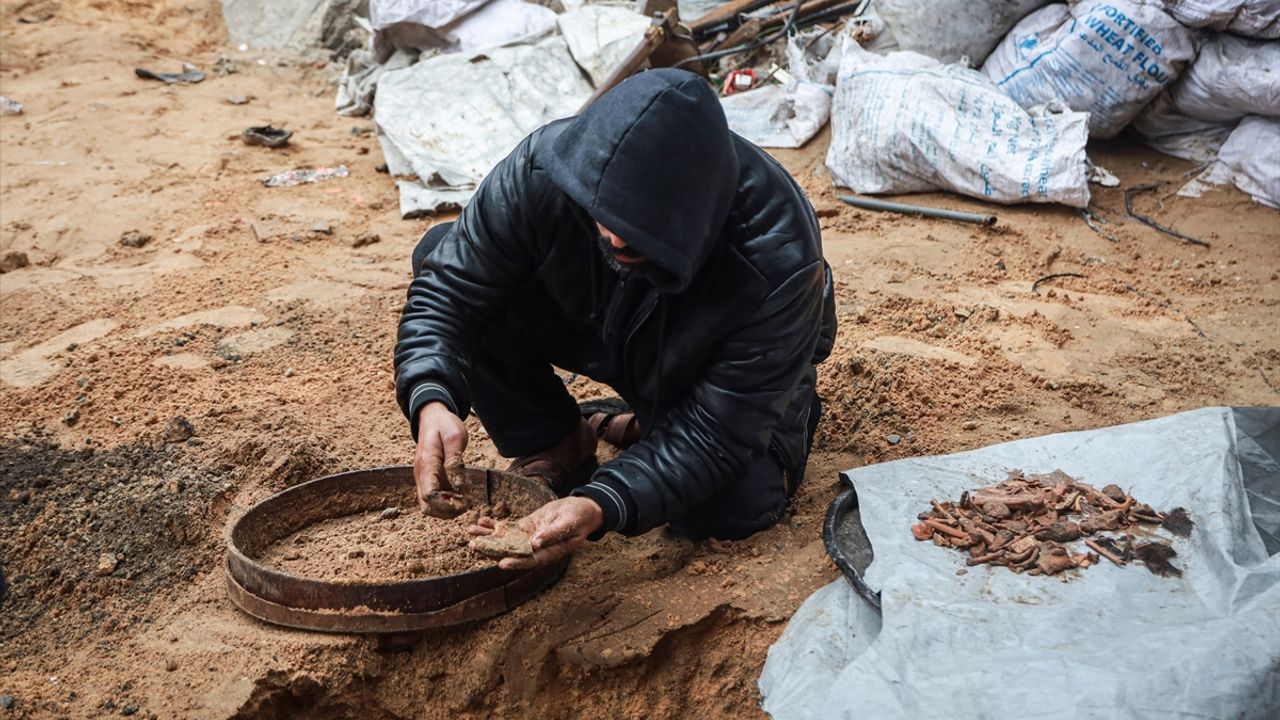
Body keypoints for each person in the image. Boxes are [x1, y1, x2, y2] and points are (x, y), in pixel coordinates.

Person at [394, 69, 836, 570]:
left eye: (633, 229)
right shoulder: (546, 167)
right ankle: (556, 439)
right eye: (600, 214)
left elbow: (718, 436)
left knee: (731, 505)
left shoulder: (777, 257)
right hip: (599, 322)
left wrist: (600, 504)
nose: (612, 236)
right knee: (441, 250)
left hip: (708, 358)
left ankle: (693, 416)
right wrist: (430, 397)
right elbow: (448, 291)